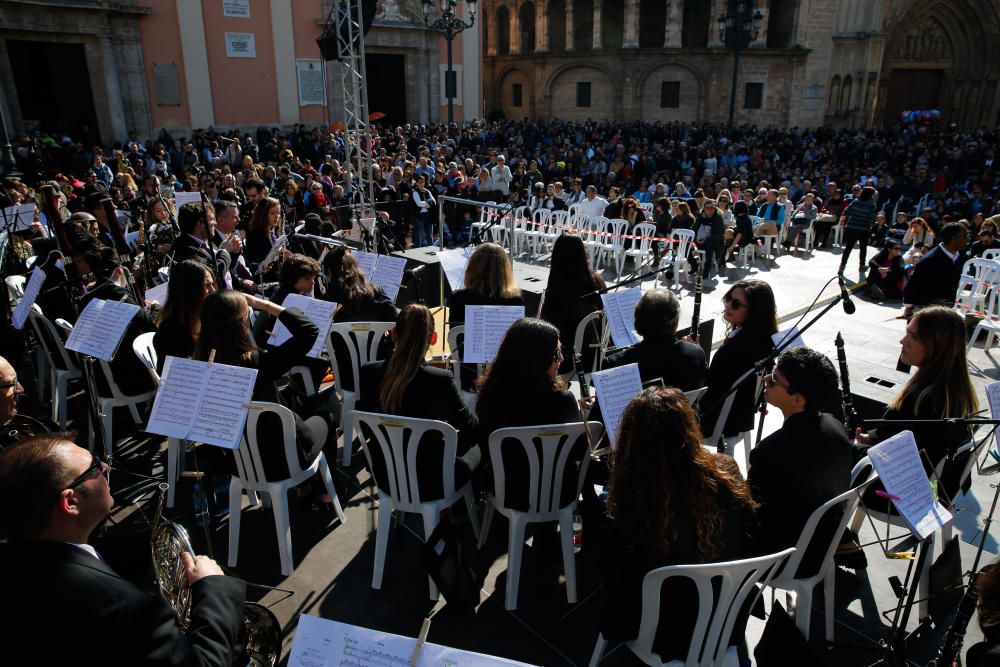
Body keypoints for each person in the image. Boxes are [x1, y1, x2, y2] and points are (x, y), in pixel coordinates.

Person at [0, 433, 246, 665]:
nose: (106, 468)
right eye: (95, 467)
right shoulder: (125, 608)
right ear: (71, 501)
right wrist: (213, 588)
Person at [599, 387, 757, 663]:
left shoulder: (638, 496)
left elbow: (618, 570)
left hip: (663, 632)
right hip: (725, 618)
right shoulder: (726, 471)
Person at [195, 290, 342, 497]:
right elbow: (309, 331)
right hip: (282, 460)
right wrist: (264, 305)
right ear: (242, 322)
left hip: (238, 463)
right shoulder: (255, 363)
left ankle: (306, 487)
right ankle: (325, 492)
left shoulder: (198, 366)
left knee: (307, 407)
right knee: (329, 408)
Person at [856, 306, 978, 503]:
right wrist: (869, 437)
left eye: (913, 336)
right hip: (927, 487)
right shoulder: (956, 390)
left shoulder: (926, 398)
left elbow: (890, 448)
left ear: (936, 347)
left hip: (895, 494)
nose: (902, 341)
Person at [746, 347, 852, 574]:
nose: (766, 379)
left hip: (783, 556)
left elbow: (750, 513)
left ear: (797, 398)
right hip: (821, 546)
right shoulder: (835, 427)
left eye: (774, 379)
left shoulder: (769, 451)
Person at [358, 304, 480, 499]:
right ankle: (459, 512)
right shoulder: (440, 380)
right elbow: (471, 428)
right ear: (433, 339)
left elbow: (365, 426)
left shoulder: (368, 372)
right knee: (479, 445)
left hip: (386, 477)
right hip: (432, 481)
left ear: (394, 335)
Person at [70, 239, 158, 397]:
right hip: (130, 378)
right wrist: (156, 307)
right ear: (119, 271)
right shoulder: (117, 294)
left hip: (101, 378)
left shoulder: (87, 298)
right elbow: (150, 324)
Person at [476, 317, 581, 450]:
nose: (562, 358)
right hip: (554, 470)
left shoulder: (491, 394)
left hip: (503, 470)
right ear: (538, 361)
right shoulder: (562, 401)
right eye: (556, 354)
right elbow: (580, 448)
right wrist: (578, 412)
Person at [699, 280, 778, 442]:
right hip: (742, 416)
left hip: (719, 420)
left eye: (735, 304)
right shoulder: (766, 341)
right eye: (728, 298)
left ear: (754, 312)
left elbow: (712, 386)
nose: (727, 305)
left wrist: (697, 354)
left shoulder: (737, 348)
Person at [603, 289, 707, 390]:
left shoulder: (615, 364)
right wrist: (695, 349)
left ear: (635, 318)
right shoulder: (695, 354)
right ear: (675, 323)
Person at [539, 234, 606, 374]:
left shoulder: (558, 289)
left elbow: (549, 328)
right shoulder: (597, 282)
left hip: (567, 358)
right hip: (594, 354)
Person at [153, 260, 216, 373]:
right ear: (190, 292)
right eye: (207, 285)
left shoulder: (208, 318)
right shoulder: (170, 332)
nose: (213, 291)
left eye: (212, 284)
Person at [446, 242, 523, 325]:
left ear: (472, 267)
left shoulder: (458, 298)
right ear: (504, 270)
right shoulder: (515, 300)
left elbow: (454, 335)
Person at [903, 222, 968, 311]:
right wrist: (909, 308)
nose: (967, 239)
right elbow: (913, 285)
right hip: (926, 312)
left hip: (945, 309)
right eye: (964, 236)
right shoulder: (930, 260)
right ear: (953, 238)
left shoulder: (958, 257)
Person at [838, 186, 878, 276]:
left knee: (848, 248)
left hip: (851, 227)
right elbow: (872, 218)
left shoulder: (855, 201)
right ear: (870, 195)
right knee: (863, 248)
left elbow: (846, 211)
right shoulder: (871, 204)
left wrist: (842, 222)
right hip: (863, 229)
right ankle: (862, 266)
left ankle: (842, 267)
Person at [244, 196, 284, 273]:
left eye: (278, 213)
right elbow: (254, 262)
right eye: (273, 213)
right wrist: (275, 256)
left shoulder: (278, 232)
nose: (277, 216)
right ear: (263, 214)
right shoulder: (254, 235)